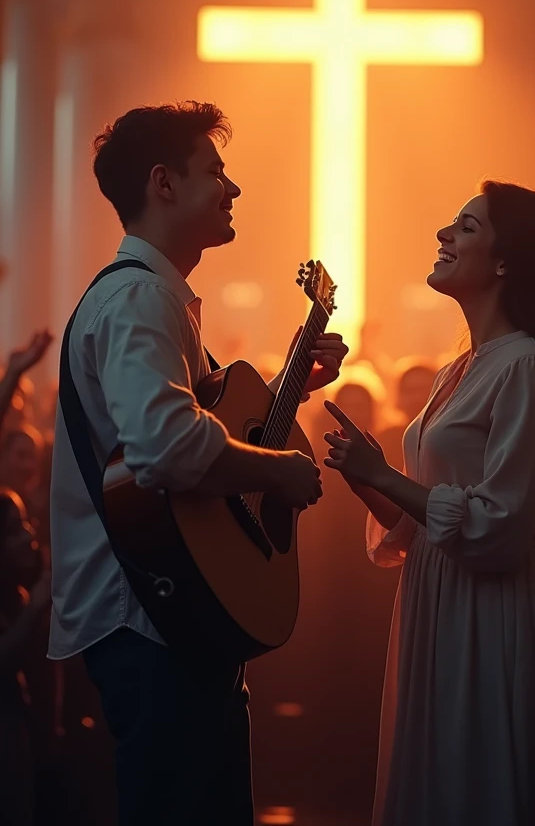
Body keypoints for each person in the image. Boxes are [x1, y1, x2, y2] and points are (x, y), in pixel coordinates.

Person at [48, 101, 348, 826]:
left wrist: (288, 393)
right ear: (163, 184)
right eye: (215, 171)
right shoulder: (142, 298)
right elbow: (164, 447)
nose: (233, 187)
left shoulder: (156, 299)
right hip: (148, 619)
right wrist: (278, 474)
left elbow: (192, 440)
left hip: (177, 615)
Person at [323, 180, 535, 825]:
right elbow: (427, 521)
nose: (444, 235)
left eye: (466, 227)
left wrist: (389, 476)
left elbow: (498, 525)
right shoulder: (462, 368)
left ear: (507, 261)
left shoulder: (528, 367)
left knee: (483, 778)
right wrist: (368, 481)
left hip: (494, 609)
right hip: (442, 598)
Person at [0, 488, 51, 825]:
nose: (29, 534)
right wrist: (36, 604)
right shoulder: (25, 600)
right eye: (15, 529)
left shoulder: (14, 594)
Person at [377, 359, 436, 472]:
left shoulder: (449, 436)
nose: (417, 398)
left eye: (423, 389)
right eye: (411, 390)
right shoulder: (387, 439)